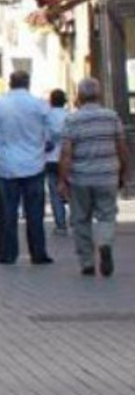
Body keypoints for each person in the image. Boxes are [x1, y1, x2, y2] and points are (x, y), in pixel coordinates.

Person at [59, 78, 129, 277]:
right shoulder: (111, 117)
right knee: (107, 215)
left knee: (81, 219)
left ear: (79, 96)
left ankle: (87, 262)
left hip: (80, 178)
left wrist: (63, 179)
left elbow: (66, 153)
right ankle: (105, 243)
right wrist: (124, 171)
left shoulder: (72, 120)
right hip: (107, 175)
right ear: (99, 95)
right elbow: (121, 147)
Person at [0, 71, 52, 265]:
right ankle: (38, 253)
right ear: (28, 83)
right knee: (35, 213)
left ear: (10, 84)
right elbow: (51, 133)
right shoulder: (39, 105)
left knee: (8, 213)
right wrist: (45, 145)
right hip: (34, 165)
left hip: (7, 167)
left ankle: (7, 254)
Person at [45, 89, 70, 235]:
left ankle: (60, 224)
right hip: (69, 158)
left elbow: (45, 138)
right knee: (72, 189)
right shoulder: (70, 116)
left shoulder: (47, 117)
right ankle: (75, 218)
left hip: (52, 159)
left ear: (51, 101)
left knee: (55, 192)